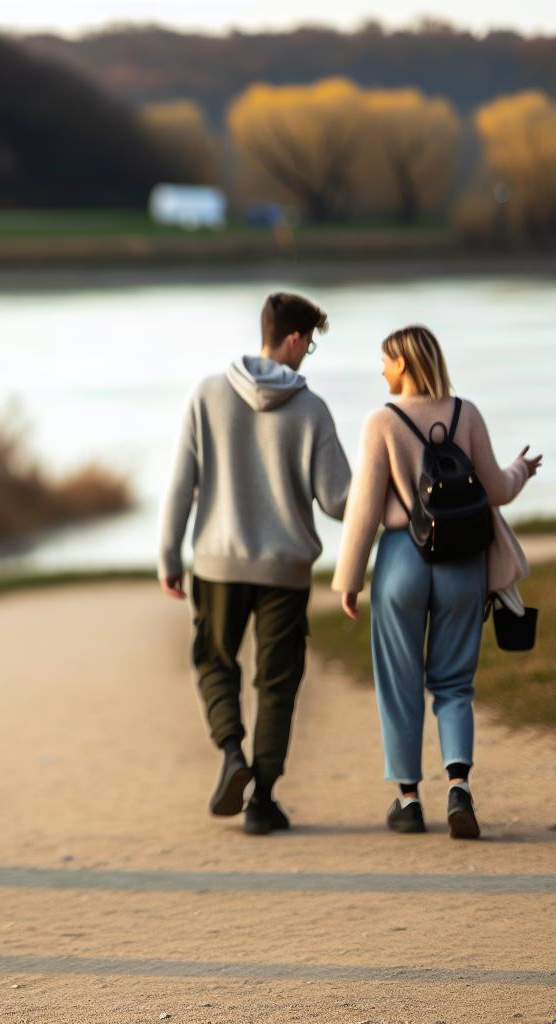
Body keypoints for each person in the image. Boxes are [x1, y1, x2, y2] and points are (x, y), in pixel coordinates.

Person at [332, 325, 542, 839]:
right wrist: (521, 469)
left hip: (402, 560)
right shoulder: (466, 413)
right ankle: (458, 789)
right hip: (462, 563)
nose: (381, 369)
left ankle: (407, 801)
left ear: (403, 363)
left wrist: (350, 579)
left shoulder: (382, 421)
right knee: (454, 683)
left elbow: (364, 508)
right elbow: (497, 490)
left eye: (386, 360)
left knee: (399, 682)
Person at [160, 292, 352, 835]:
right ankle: (262, 801)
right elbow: (339, 501)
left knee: (214, 661)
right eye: (308, 344)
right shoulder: (312, 409)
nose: (307, 355)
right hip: (285, 572)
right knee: (278, 682)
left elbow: (182, 484)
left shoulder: (206, 394)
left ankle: (231, 754)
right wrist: (390, 490)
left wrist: (169, 554)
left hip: (218, 564)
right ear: (293, 338)